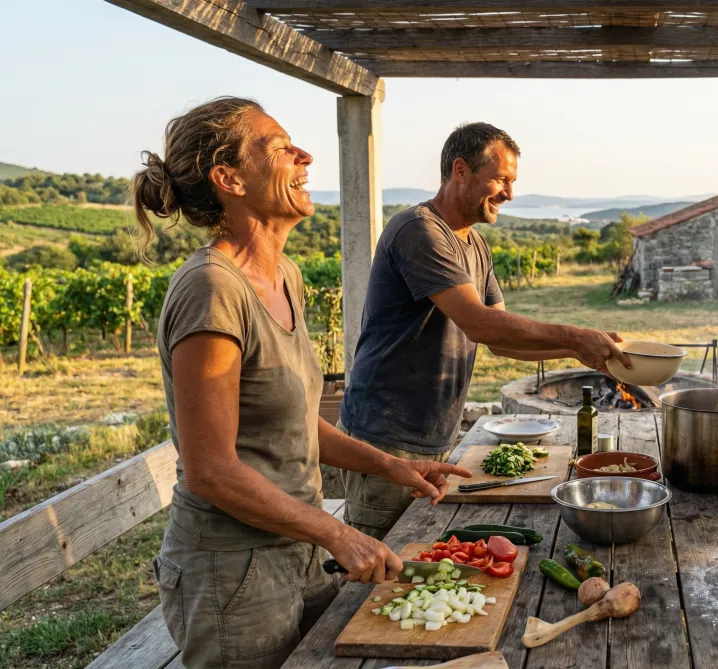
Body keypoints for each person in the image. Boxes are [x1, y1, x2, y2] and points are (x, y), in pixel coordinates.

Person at [135, 97, 472, 669]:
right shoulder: (211, 289)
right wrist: (337, 534)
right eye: (279, 146)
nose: (305, 155)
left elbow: (290, 423)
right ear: (229, 179)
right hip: (233, 570)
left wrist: (389, 465)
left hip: (296, 550)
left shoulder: (284, 275)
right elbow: (211, 469)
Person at [338, 122, 631, 539]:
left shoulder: (475, 245)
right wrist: (572, 335)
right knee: (375, 568)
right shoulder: (419, 230)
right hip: (386, 440)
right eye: (501, 179)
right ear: (460, 170)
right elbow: (477, 322)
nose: (509, 194)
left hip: (433, 435)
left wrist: (578, 353)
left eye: (512, 182)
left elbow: (499, 340)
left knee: (415, 561)